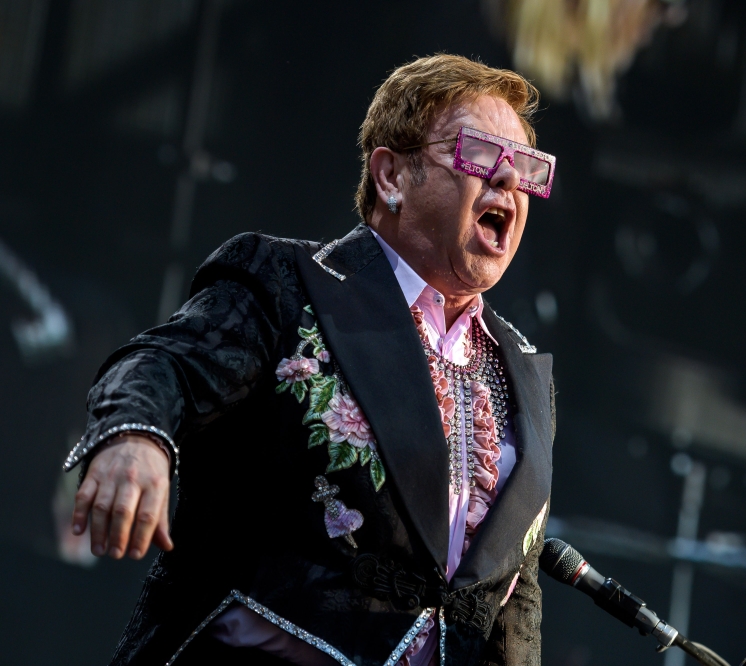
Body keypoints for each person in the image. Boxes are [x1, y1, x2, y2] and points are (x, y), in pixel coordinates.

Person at [64, 54, 557, 666]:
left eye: (527, 169)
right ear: (391, 177)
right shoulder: (291, 285)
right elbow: (164, 362)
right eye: (481, 156)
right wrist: (136, 436)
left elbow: (516, 610)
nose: (508, 183)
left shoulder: (524, 369)